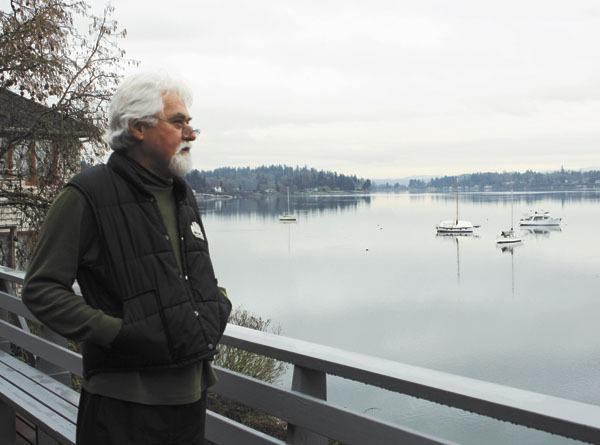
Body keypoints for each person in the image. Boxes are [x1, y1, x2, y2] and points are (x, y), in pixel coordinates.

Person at [22, 72, 232, 444]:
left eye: (190, 123)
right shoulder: (87, 194)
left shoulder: (182, 194)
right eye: (178, 122)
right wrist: (116, 332)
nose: (191, 134)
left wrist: (218, 304)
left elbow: (192, 275)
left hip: (191, 399)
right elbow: (41, 290)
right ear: (138, 127)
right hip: (122, 406)